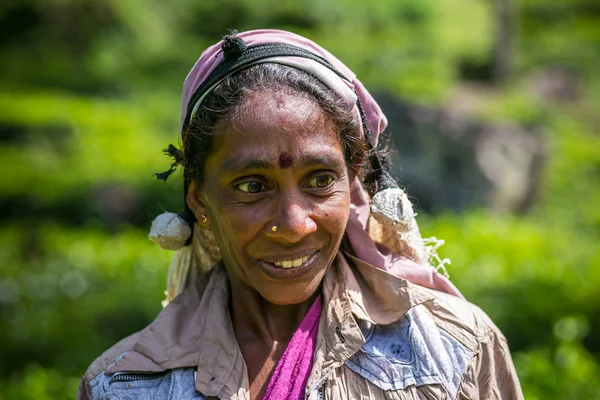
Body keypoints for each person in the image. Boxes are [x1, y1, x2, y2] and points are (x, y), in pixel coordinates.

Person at [78, 29, 524, 400]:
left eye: (318, 181)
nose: (293, 226)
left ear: (354, 184)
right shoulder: (122, 385)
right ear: (199, 203)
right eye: (252, 187)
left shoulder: (456, 349)